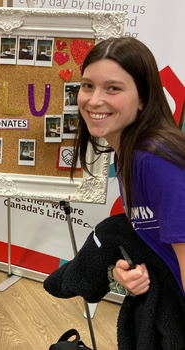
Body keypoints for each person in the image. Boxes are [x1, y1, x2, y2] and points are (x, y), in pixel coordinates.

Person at [70, 37, 185, 298]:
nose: (94, 100)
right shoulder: (128, 155)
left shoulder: (156, 159)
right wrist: (129, 272)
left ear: (143, 98)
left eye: (113, 89)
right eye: (88, 86)